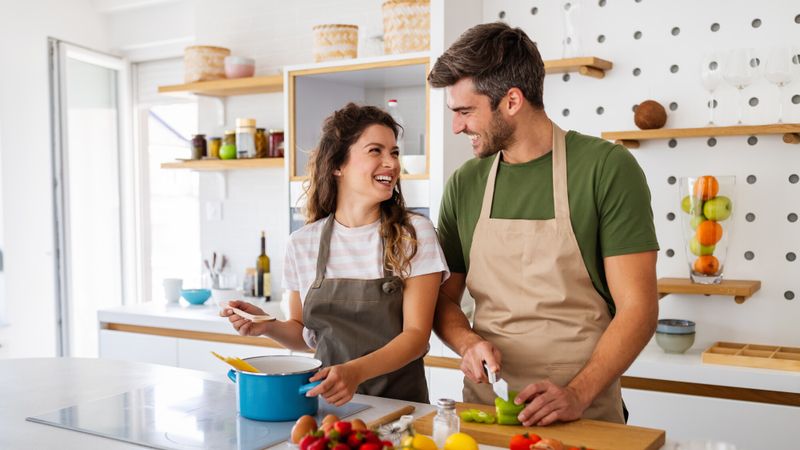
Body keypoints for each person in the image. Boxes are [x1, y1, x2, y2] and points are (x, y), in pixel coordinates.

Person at [428, 22, 659, 425]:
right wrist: (467, 343)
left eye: (466, 111)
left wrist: (577, 394)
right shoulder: (466, 184)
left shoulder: (605, 168)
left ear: (512, 101)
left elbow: (638, 308)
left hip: (583, 411)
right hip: (487, 410)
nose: (457, 126)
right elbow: (443, 299)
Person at [221, 103, 449, 406]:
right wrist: (267, 326)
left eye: (394, 152)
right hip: (327, 408)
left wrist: (354, 373)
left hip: (401, 411)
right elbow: (303, 334)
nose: (391, 163)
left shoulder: (414, 235)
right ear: (337, 165)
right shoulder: (302, 243)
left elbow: (417, 336)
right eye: (375, 151)